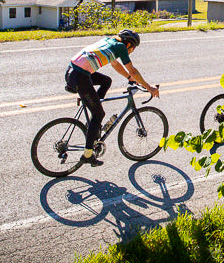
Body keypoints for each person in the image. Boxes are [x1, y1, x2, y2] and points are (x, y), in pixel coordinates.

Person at [65, 29, 159, 167]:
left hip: (72, 71)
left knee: (106, 81)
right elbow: (132, 69)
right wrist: (149, 87)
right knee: (99, 114)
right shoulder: (121, 47)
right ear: (129, 44)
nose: (132, 51)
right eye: (133, 48)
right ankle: (88, 155)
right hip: (80, 77)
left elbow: (115, 64)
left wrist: (130, 78)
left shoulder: (110, 41)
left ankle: (92, 119)